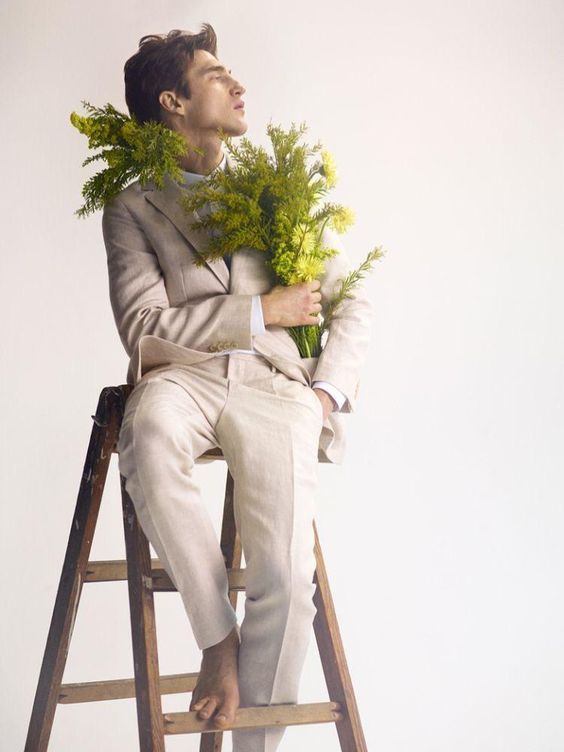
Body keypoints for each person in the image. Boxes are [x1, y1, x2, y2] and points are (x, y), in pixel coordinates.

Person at [102, 23, 373, 752]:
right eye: (217, 75)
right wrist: (260, 311)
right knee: (147, 434)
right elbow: (144, 326)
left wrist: (327, 396)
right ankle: (215, 640)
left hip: (274, 388)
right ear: (174, 102)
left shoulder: (275, 190)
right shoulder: (131, 207)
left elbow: (353, 301)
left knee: (286, 581)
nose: (238, 84)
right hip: (181, 381)